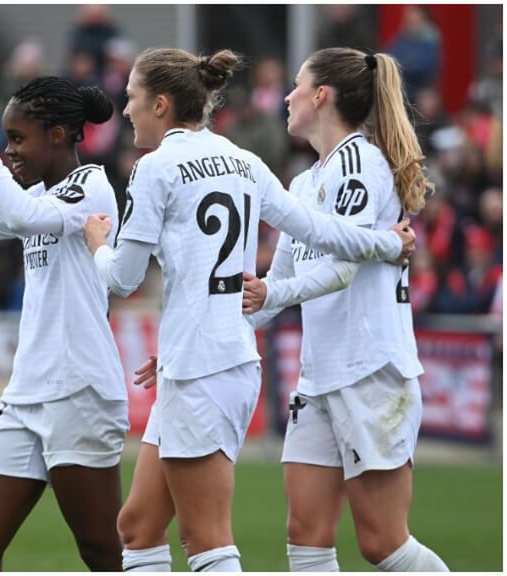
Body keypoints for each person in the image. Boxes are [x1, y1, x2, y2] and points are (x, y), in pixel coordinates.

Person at [82, 47, 416, 572]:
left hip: (212, 368)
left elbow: (122, 280)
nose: (125, 111)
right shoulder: (246, 161)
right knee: (138, 525)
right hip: (205, 357)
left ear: (162, 104)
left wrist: (97, 244)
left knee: (208, 543)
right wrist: (388, 245)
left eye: (131, 99)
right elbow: (320, 234)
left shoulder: (154, 168)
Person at [242, 48, 449, 572]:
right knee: (306, 535)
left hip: (370, 372)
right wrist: (203, 337)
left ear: (321, 96)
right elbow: (278, 283)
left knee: (383, 544)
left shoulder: (360, 163)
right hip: (319, 377)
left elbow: (342, 269)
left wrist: (272, 297)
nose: (286, 96)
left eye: (296, 85)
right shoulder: (305, 182)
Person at [0, 74, 128, 570]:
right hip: (25, 393)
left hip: (79, 390)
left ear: (57, 135)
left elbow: (15, 216)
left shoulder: (90, 184)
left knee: (103, 551)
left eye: (17, 139)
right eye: (6, 139)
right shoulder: (36, 198)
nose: (9, 150)